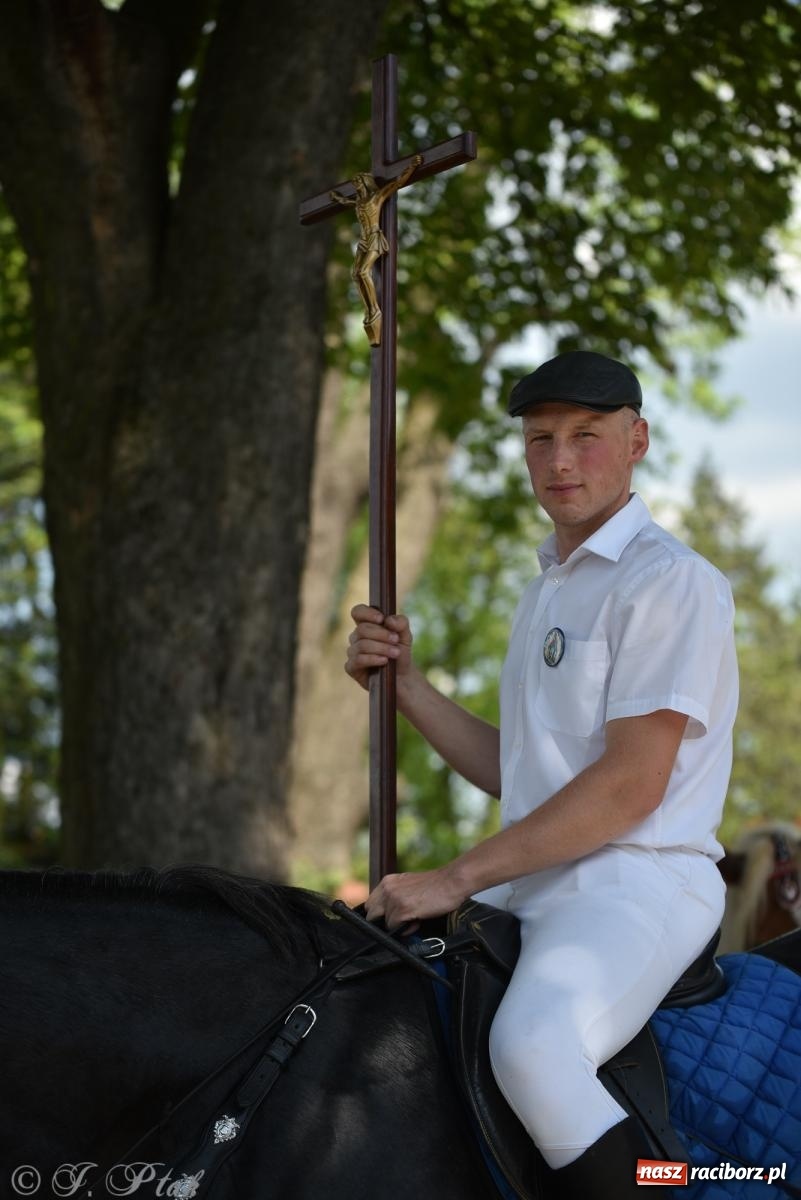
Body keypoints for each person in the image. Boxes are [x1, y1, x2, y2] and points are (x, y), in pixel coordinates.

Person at [344, 349, 738, 1199]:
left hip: (636, 879)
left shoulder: (669, 582)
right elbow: (522, 776)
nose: (560, 460)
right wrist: (406, 687)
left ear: (635, 441)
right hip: (535, 880)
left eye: (585, 436)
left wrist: (453, 877)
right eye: (540, 439)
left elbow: (628, 788)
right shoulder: (546, 591)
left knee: (534, 1049)